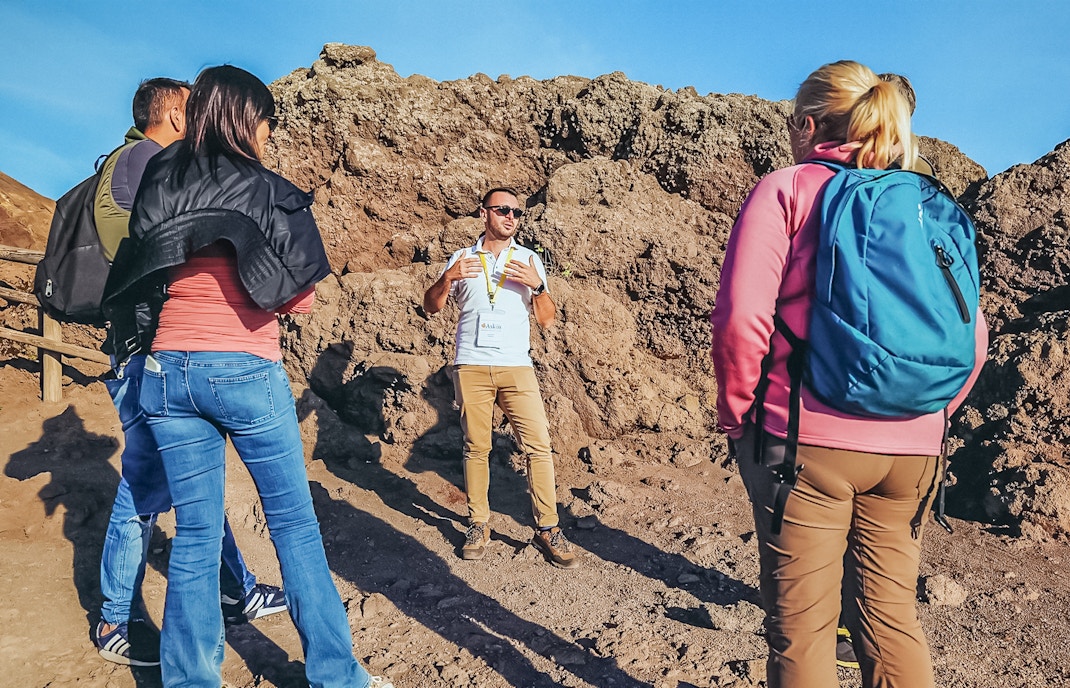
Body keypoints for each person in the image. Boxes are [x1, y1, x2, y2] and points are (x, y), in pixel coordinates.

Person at [102, 65, 390, 688]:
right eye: (263, 121)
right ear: (243, 118)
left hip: (166, 373)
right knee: (293, 523)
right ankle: (337, 677)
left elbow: (144, 268)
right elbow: (298, 298)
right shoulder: (266, 187)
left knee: (197, 533)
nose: (266, 134)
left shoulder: (159, 175)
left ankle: (190, 679)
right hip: (243, 367)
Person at [710, 60, 988, 688]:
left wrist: (740, 417)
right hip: (915, 450)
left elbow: (739, 319)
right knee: (891, 622)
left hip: (806, 444)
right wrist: (931, 416)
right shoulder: (927, 204)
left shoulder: (788, 188)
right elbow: (973, 339)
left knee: (804, 632)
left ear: (808, 125)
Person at [94, 77, 284, 668]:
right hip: (153, 352)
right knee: (142, 489)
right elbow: (148, 252)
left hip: (160, 350)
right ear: (177, 114)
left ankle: (236, 589)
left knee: (190, 488)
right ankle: (112, 620)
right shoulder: (148, 163)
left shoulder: (134, 163)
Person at [422, 187, 579, 569]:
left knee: (538, 445)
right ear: (484, 214)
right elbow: (429, 307)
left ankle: (548, 527)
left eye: (517, 213)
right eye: (503, 210)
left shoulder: (528, 260)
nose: (511, 217)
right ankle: (478, 524)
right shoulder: (462, 258)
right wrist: (447, 277)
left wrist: (537, 285)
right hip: (471, 364)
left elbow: (547, 318)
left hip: (516, 366)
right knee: (476, 446)